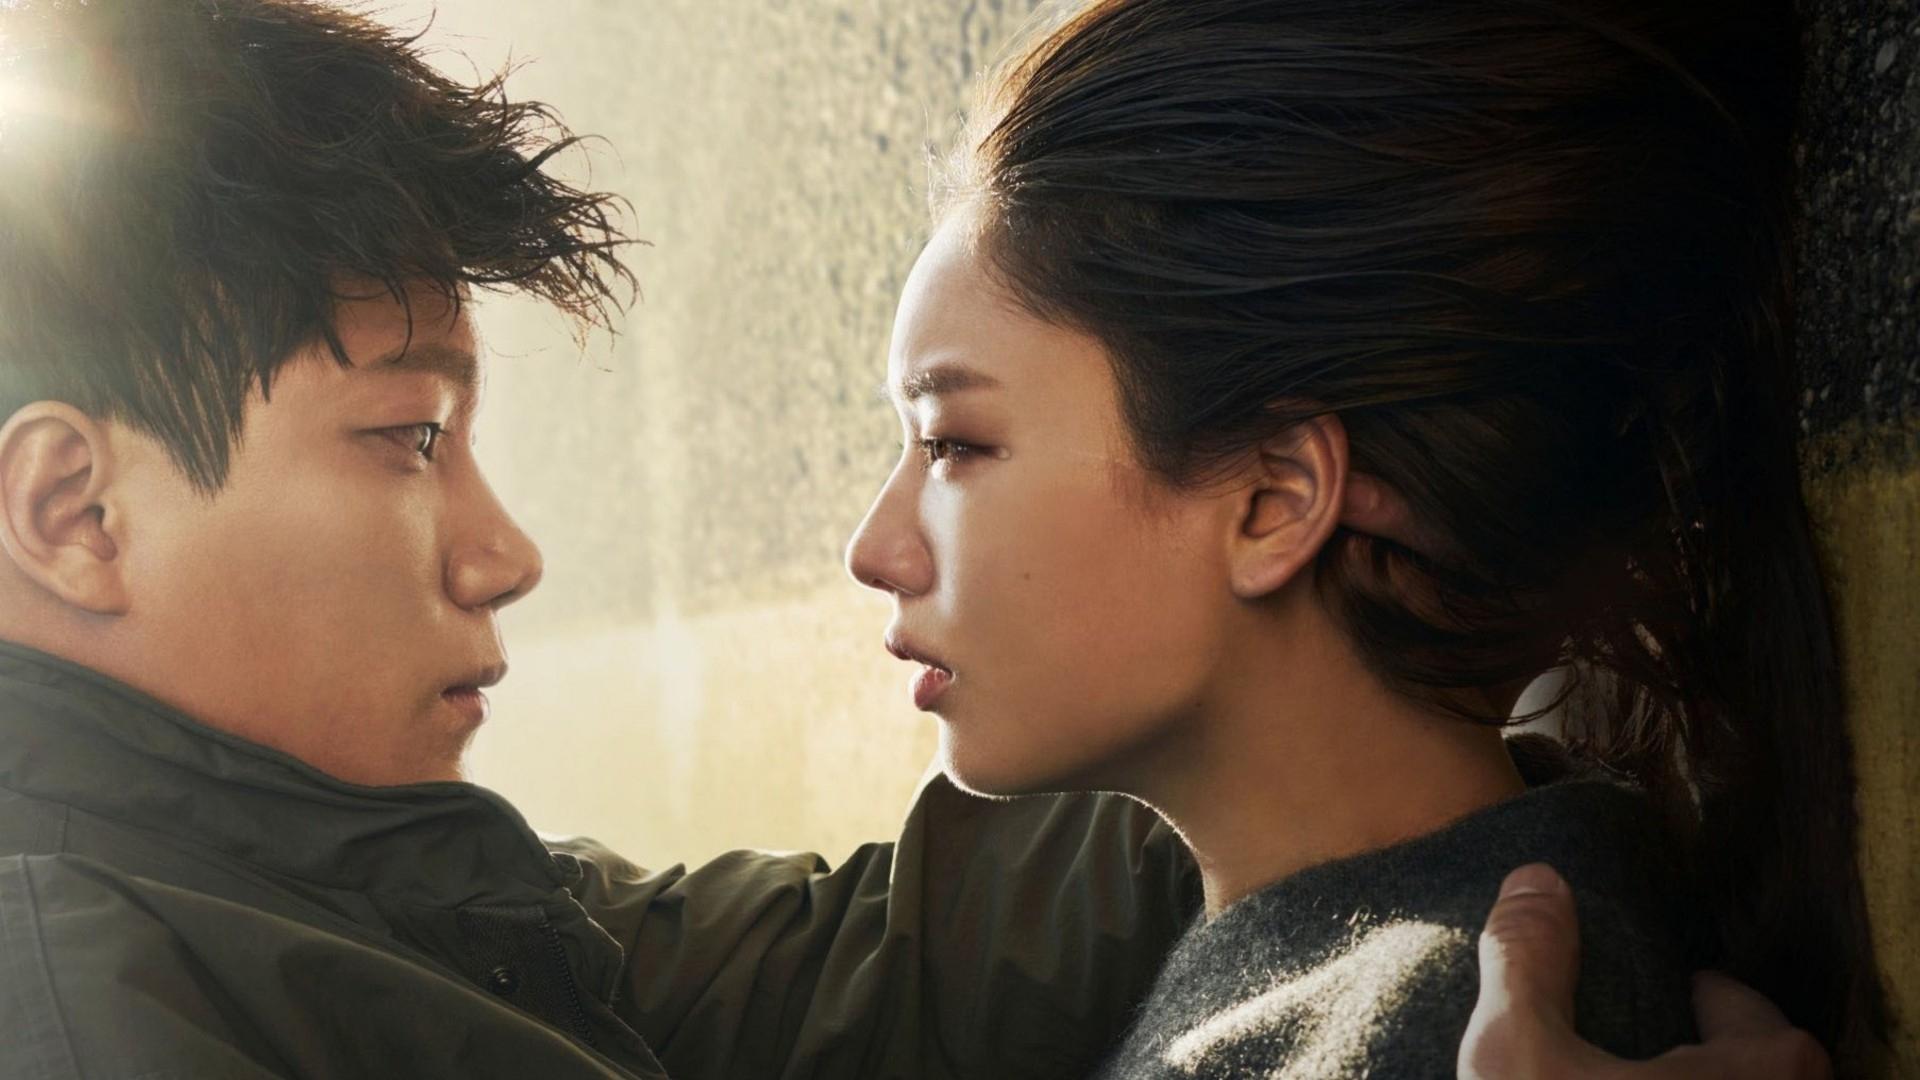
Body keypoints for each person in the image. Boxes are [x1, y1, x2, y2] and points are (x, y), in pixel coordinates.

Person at [0, 1, 1831, 1077]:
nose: (507, 555)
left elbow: (907, 965)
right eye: (408, 439)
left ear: (1282, 498)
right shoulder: (76, 1000)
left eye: (954, 442)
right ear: (72, 513)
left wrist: (1401, 617)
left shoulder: (414, 897)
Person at [845, 0, 1885, 1076]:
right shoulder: (1429, 971)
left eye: (954, 443)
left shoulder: (1438, 1025)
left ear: (1277, 499)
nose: (875, 550)